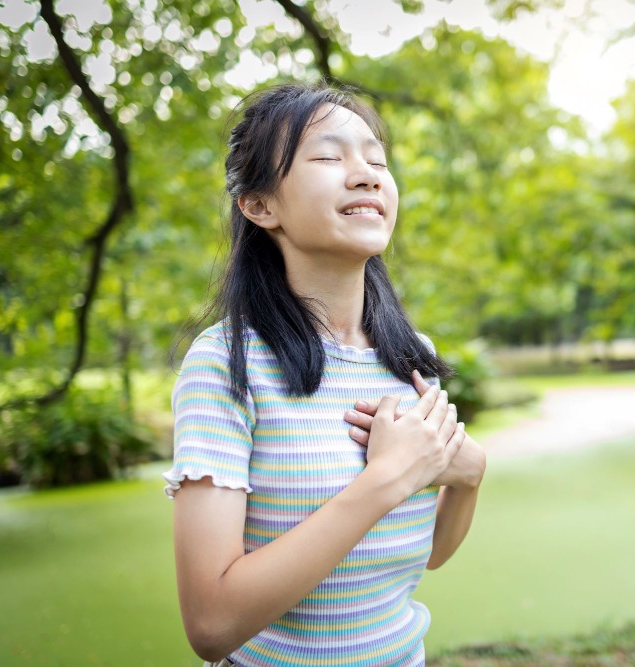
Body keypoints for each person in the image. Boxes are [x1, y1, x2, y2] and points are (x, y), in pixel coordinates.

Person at [163, 83, 487, 667]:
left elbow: (426, 554)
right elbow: (211, 624)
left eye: (377, 161)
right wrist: (386, 479)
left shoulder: (412, 356)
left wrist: (468, 479)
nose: (366, 176)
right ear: (261, 205)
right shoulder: (226, 364)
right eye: (329, 157)